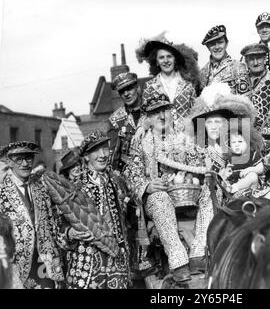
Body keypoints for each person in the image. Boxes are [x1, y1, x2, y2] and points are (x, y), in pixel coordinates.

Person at [123, 92, 213, 283]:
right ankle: (178, 260)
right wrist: (147, 185)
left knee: (209, 189)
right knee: (159, 198)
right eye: (156, 113)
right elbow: (130, 173)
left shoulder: (185, 136)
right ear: (148, 118)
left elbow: (198, 161)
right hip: (160, 196)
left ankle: (199, 253)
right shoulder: (141, 142)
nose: (162, 117)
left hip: (187, 191)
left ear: (172, 112)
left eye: (165, 110)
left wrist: (195, 174)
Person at [60, 131, 131, 289]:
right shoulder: (74, 188)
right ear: (86, 156)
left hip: (117, 260)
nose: (102, 155)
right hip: (85, 260)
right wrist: (69, 233)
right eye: (96, 151)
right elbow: (59, 225)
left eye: (105, 149)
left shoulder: (118, 182)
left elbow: (130, 217)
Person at [0, 141, 64, 288]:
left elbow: (52, 222)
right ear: (10, 163)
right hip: (17, 263)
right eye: (19, 160)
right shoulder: (2, 192)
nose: (25, 164)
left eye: (28, 158)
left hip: (44, 261)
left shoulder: (41, 188)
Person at [139, 36, 197, 133]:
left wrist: (199, 140)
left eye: (169, 56)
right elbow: (144, 115)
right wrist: (140, 128)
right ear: (157, 62)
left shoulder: (188, 86)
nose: (166, 61)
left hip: (185, 141)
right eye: (161, 57)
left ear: (175, 60)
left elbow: (196, 113)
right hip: (161, 141)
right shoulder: (149, 86)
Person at [107, 71, 144, 172]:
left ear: (137, 87)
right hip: (131, 172)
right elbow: (112, 153)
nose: (126, 94)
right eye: (122, 91)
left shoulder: (152, 110)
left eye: (129, 88)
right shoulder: (115, 120)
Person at [200, 25, 252, 96]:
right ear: (208, 47)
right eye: (212, 44)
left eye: (220, 42)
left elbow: (246, 101)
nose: (217, 47)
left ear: (226, 44)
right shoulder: (202, 72)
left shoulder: (238, 68)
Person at [240, 43, 270, 129]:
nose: (255, 63)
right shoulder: (239, 82)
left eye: (258, 58)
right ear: (246, 62)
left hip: (269, 134)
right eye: (251, 59)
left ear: (265, 59)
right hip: (243, 134)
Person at [225, 126, 264, 195]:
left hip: (252, 187)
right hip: (236, 186)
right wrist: (226, 173)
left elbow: (261, 168)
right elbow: (227, 174)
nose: (237, 144)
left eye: (240, 141)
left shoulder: (252, 154)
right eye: (233, 142)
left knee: (252, 176)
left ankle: (233, 188)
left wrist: (249, 169)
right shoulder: (231, 158)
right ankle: (232, 190)